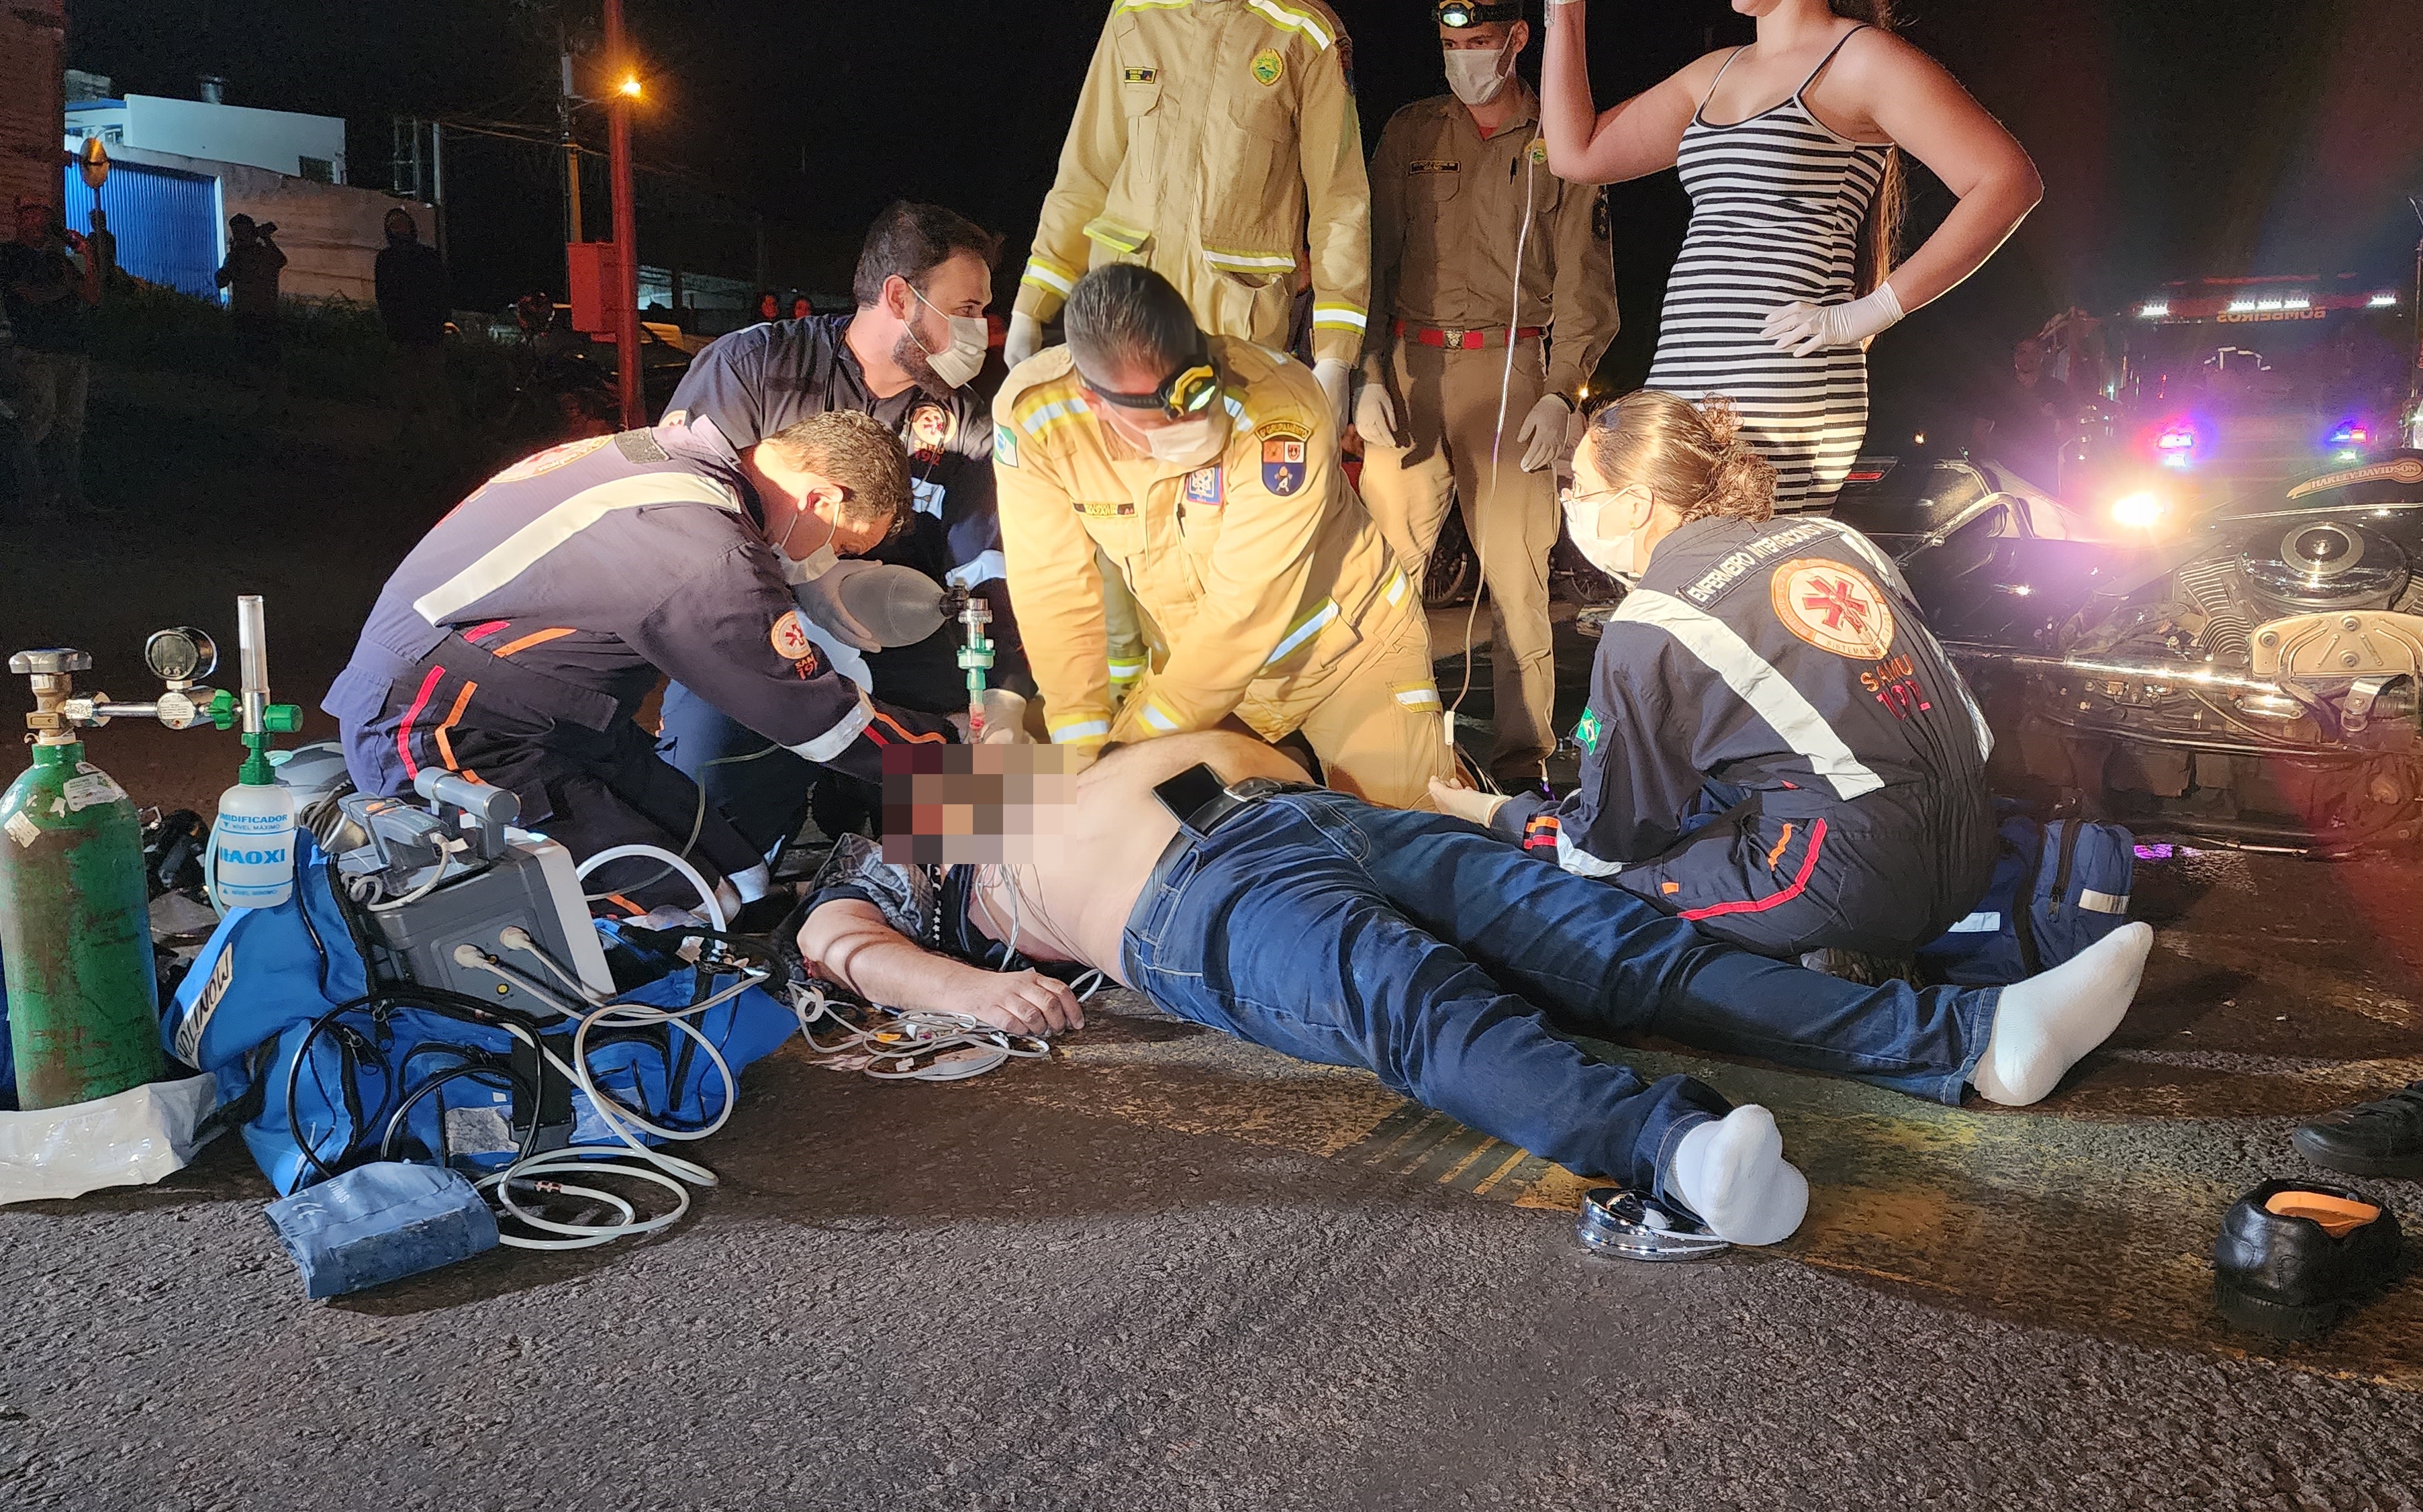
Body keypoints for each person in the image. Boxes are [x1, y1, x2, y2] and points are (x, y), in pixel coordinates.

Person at [795, 729, 2160, 1245]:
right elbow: (833, 937)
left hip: (1293, 813)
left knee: (1617, 945)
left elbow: (1161, 749)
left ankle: (1975, 1036)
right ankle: (1672, 1154)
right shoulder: (919, 828)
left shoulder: (1029, 758)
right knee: (1425, 1007)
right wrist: (969, 995)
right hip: (1188, 903)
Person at [1431, 391, 1996, 985]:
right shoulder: (1835, 537)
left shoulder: (1652, 624)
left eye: (1580, 486)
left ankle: (1832, 961)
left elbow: (1607, 837)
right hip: (1974, 842)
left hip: (1848, 879)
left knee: (1605, 882)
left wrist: (1497, 813)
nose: (1569, 501)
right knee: (1710, 799)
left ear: (1635, 505)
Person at [323, 411, 954, 911]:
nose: (826, 564)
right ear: (821, 499)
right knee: (676, 908)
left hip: (549, 714)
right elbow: (821, 722)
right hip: (442, 729)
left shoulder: (667, 455)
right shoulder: (706, 553)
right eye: (842, 546)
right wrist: (981, 776)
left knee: (741, 874)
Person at [1540, 0, 2040, 514]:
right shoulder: (1716, 73)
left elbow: (2006, 181)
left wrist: (1871, 311)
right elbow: (1575, 154)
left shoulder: (1859, 59)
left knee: (1751, 566)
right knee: (1679, 566)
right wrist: (1566, 14)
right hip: (1682, 366)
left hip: (1778, 370)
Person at [996, 265, 1462, 807]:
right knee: (955, 808)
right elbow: (1052, 592)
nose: (1195, 422)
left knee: (1413, 847)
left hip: (1347, 660)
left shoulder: (1282, 410)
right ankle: (904, 873)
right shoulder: (1034, 418)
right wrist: (1080, 752)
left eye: (1202, 392)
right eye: (1164, 416)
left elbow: (1241, 616)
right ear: (1096, 402)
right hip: (1196, 686)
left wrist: (1124, 757)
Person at [656, 200, 1026, 857]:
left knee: (989, 811)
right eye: (966, 308)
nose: (981, 327)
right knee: (702, 815)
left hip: (898, 621)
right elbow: (684, 521)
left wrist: (1003, 690)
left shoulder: (960, 418)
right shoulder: (751, 368)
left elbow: (986, 555)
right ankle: (738, 882)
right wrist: (812, 580)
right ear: (900, 298)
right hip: (752, 618)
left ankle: (955, 898)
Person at [1357, 0, 1621, 786]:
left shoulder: (1561, 139)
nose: (1462, 58)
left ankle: (1522, 763)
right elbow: (1369, 255)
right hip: (1411, 367)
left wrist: (1562, 391)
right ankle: (1377, 747)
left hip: (1512, 370)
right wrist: (1363, 369)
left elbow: (1585, 276)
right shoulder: (1412, 130)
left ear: (1516, 40)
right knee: (1380, 573)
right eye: (1448, 44)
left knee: (1516, 582)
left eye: (1477, 42)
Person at [1003, 0, 1370, 430]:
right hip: (1120, 320)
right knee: (1116, 487)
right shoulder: (1135, 13)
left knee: (1222, 489)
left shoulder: (1304, 31)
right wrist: (1032, 304)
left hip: (1233, 334)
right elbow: (1087, 174)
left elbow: (1339, 201)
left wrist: (1334, 357)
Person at [1, 194, 105, 517]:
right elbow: (30, 297)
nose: (39, 221)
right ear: (19, 220)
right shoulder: (9, 255)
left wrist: (87, 255)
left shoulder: (57, 261)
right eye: (31, 214)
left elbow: (92, 295)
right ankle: (28, 494)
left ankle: (69, 495)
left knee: (70, 426)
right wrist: (64, 287)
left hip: (71, 349)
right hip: (34, 348)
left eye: (44, 215)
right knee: (37, 418)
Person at [375, 207, 453, 441]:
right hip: (401, 332)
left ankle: (440, 431)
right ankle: (404, 429)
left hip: (429, 330)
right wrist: (390, 324)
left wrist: (442, 321)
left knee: (433, 382)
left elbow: (441, 289)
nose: (399, 229)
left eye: (402, 224)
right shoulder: (386, 259)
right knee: (403, 383)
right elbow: (383, 295)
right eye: (394, 225)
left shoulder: (428, 256)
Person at [1970, 334, 2069, 487]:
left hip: (2042, 468)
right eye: (2022, 352)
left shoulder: (2056, 389)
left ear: (2042, 355)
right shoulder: (1999, 389)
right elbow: (1980, 428)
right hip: (2005, 468)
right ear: (2015, 356)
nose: (2028, 357)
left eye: (2034, 352)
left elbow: (2071, 425)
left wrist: (2053, 419)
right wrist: (1992, 456)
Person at [216, 214, 289, 418]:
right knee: (250, 363)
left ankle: (273, 406)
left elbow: (280, 260)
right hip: (245, 315)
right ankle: (259, 406)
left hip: (265, 315)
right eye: (236, 232)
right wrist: (232, 257)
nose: (238, 236)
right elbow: (221, 280)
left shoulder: (262, 253)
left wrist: (266, 239)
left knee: (268, 363)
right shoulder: (236, 256)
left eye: (242, 231)